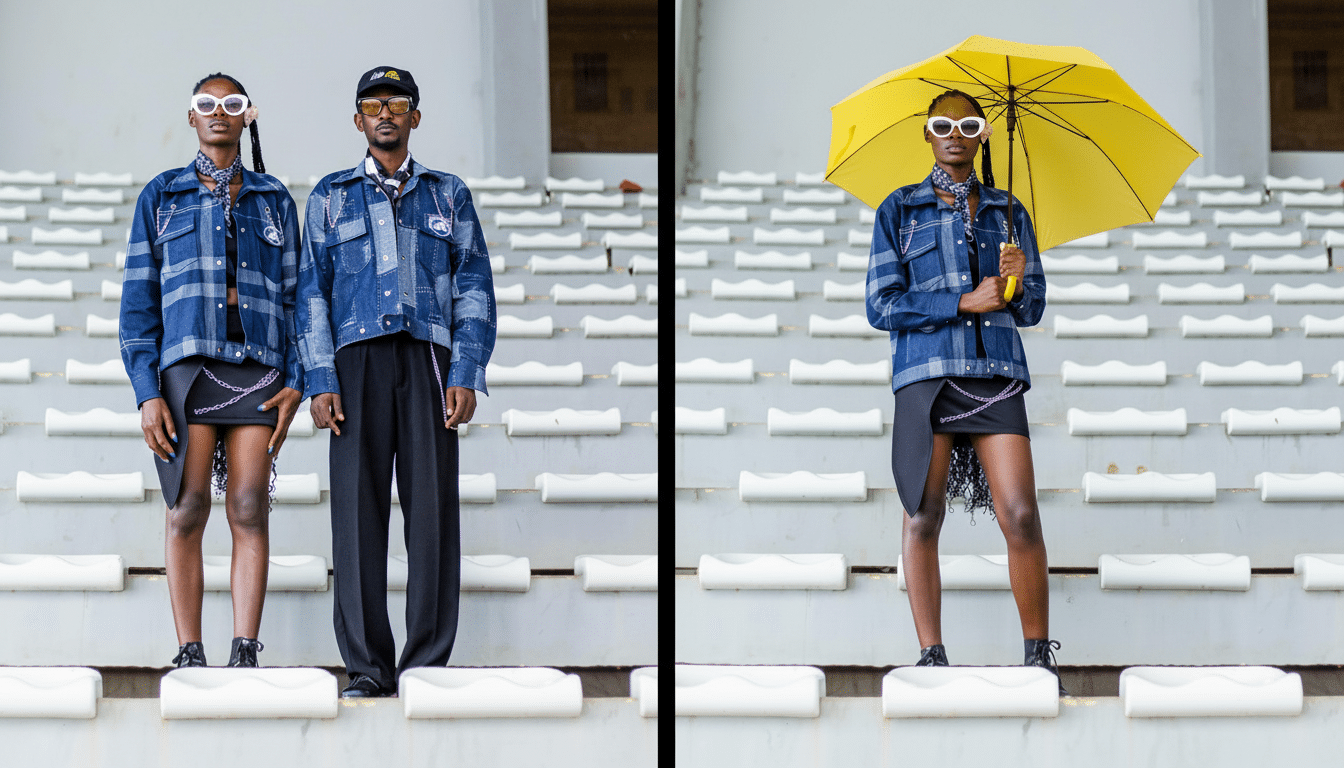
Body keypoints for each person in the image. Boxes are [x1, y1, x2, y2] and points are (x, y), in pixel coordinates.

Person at [297, 66, 497, 698]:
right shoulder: (329, 196)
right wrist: (320, 377)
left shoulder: (448, 194)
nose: (385, 112)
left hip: (428, 360)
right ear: (358, 119)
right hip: (354, 364)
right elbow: (311, 293)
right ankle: (367, 668)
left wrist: (466, 369)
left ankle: (426, 664)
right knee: (356, 516)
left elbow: (474, 285)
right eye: (373, 104)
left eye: (398, 102)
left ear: (416, 116)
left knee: (431, 514)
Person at [865, 89, 1064, 693]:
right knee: (923, 515)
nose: (955, 133)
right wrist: (961, 301)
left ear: (982, 135)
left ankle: (1038, 657)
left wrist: (1018, 282)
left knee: (1021, 513)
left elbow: (1030, 310)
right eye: (943, 124)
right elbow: (881, 305)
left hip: (995, 373)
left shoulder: (1010, 212)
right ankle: (932, 655)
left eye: (969, 124)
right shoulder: (900, 210)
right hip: (927, 377)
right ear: (927, 134)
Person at [120, 73, 304, 668]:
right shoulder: (161, 195)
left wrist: (297, 378)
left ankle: (245, 649)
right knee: (188, 507)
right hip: (188, 369)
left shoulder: (274, 198)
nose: (218, 111)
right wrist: (147, 392)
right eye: (206, 103)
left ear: (248, 115)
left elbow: (298, 298)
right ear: (192, 117)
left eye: (231, 103)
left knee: (249, 505)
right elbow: (138, 304)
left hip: (258, 366)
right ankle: (189, 651)